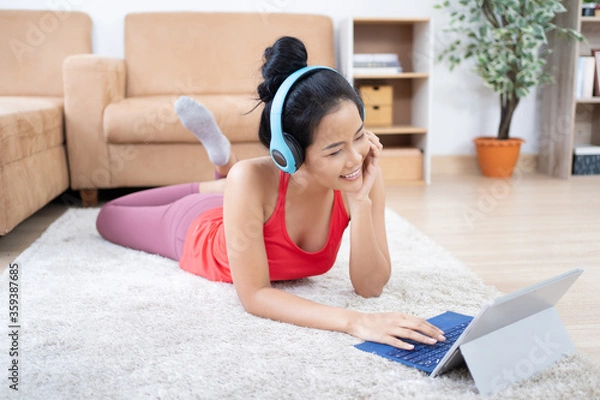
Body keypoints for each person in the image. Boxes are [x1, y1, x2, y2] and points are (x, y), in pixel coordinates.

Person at [96, 36, 446, 350]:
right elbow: (255, 295)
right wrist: (354, 321)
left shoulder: (362, 174)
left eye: (358, 135)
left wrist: (360, 199)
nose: (356, 157)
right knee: (109, 215)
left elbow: (370, 287)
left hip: (243, 201)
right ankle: (222, 176)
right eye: (334, 150)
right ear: (292, 155)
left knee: (239, 181)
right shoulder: (251, 178)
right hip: (195, 228)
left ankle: (222, 171)